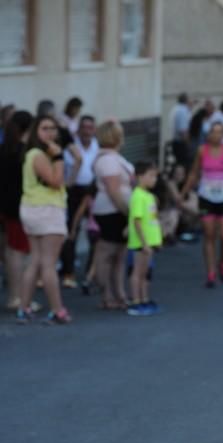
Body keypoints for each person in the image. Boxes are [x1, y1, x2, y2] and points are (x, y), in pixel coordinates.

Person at [16, 116, 72, 324]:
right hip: (46, 209)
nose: (49, 132)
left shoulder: (33, 154)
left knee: (36, 260)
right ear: (35, 131)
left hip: (33, 209)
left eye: (52, 128)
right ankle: (57, 310)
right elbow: (56, 181)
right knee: (48, 264)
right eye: (44, 128)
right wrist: (58, 158)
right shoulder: (39, 155)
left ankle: (24, 308)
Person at [182, 121, 223, 287]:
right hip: (207, 197)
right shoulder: (202, 151)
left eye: (219, 132)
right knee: (209, 234)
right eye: (213, 132)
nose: (216, 135)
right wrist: (184, 192)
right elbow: (194, 173)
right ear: (208, 134)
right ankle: (210, 272)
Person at [92, 120, 133, 310]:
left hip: (117, 209)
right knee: (108, 252)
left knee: (119, 254)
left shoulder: (113, 157)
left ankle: (119, 292)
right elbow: (113, 191)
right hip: (112, 210)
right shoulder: (108, 160)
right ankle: (108, 294)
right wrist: (127, 211)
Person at [0, 110, 36, 312]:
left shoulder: (5, 149)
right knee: (18, 252)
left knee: (11, 250)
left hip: (6, 206)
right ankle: (17, 297)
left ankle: (17, 296)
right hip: (19, 207)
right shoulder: (24, 153)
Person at [60, 115, 98, 288]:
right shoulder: (71, 148)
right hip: (74, 191)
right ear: (79, 129)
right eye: (84, 127)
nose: (87, 131)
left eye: (91, 127)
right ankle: (69, 272)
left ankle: (92, 272)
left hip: (92, 191)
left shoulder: (98, 146)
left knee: (95, 232)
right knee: (71, 232)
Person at [127, 161, 163, 316]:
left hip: (150, 242)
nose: (154, 179)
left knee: (146, 272)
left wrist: (157, 240)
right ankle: (135, 301)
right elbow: (137, 220)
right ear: (140, 177)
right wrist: (144, 242)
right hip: (141, 243)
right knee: (138, 272)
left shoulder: (149, 196)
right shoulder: (138, 196)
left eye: (155, 176)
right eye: (151, 176)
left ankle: (144, 298)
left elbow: (152, 220)